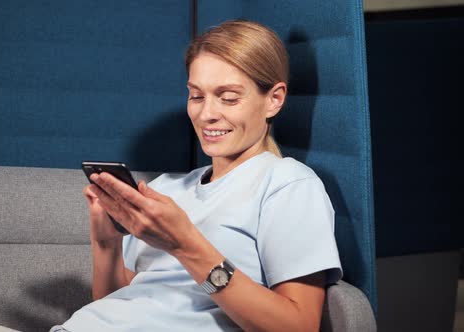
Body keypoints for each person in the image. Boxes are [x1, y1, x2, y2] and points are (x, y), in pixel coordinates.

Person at [52, 20, 342, 332]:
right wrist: (106, 241)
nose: (206, 114)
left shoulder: (287, 184)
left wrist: (185, 244)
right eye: (196, 96)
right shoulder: (166, 189)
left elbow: (298, 326)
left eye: (228, 97)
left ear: (274, 99)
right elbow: (116, 302)